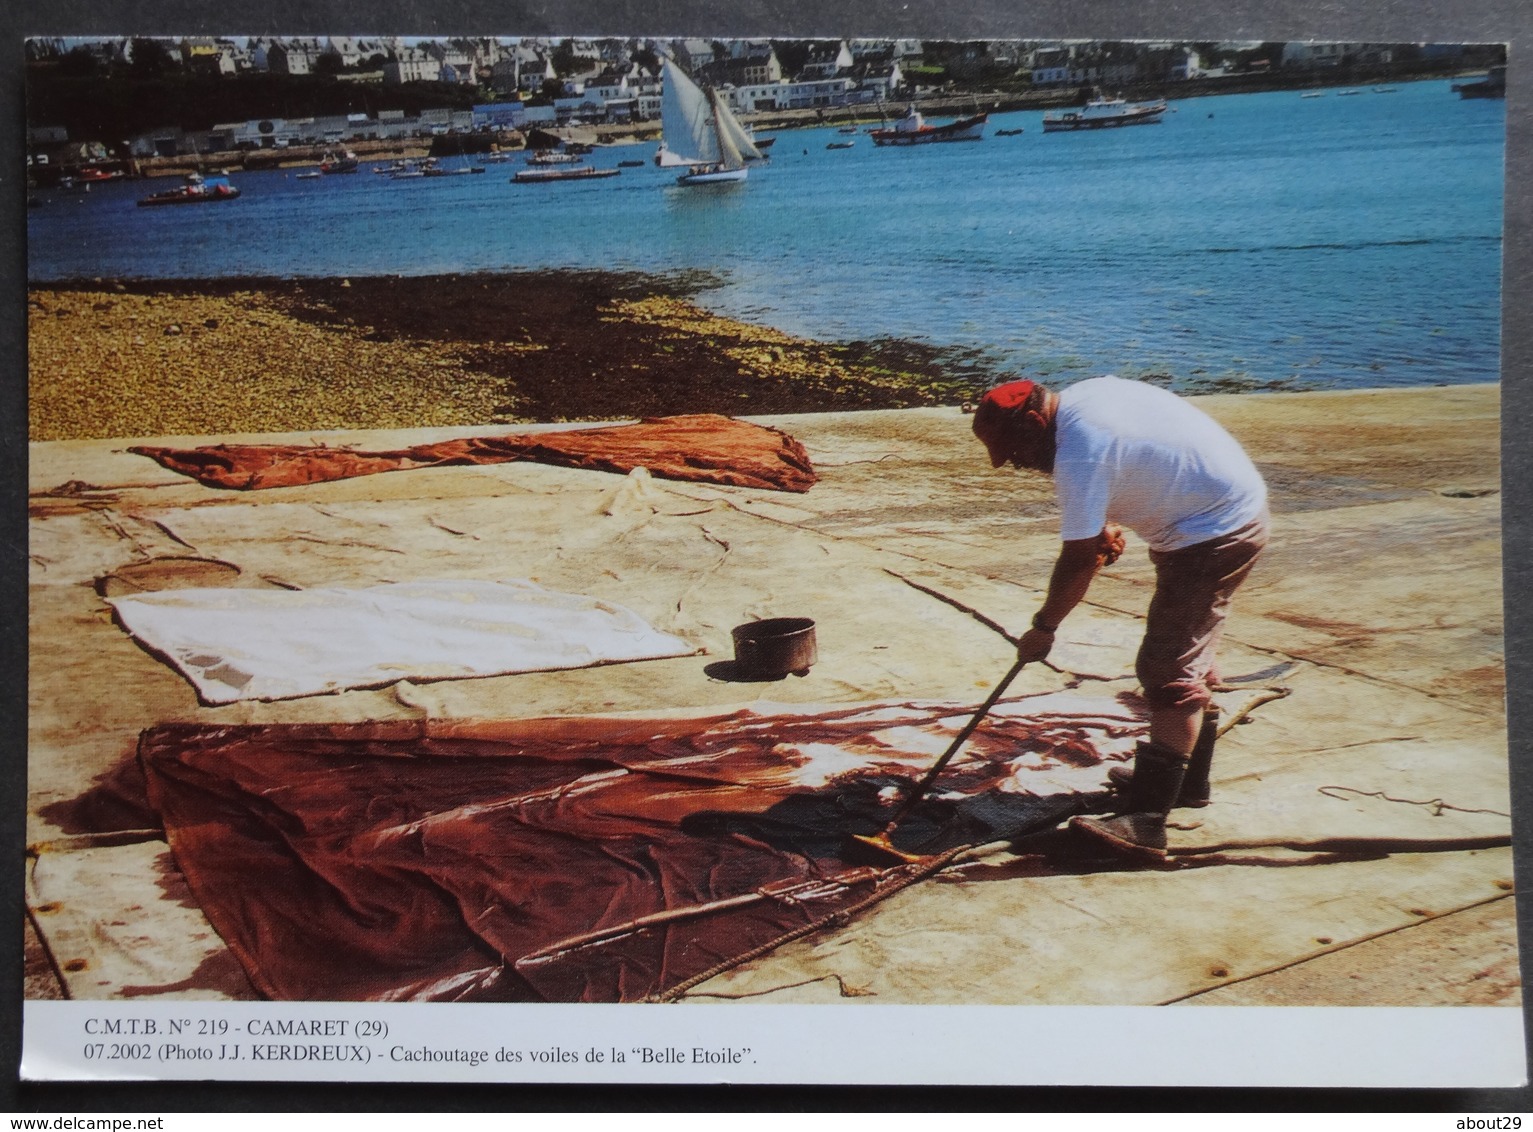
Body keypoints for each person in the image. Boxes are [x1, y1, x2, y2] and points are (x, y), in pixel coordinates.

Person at [971, 376, 1270, 861]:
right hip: (1212, 515)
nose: (1017, 465)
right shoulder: (1084, 400)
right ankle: (1187, 782)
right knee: (1183, 656)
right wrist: (1103, 525)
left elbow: (1076, 559)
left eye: (1015, 452)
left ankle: (1147, 822)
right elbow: (1129, 461)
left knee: (1168, 670)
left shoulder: (1079, 452)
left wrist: (1044, 627)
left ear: (1032, 421)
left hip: (1216, 532)